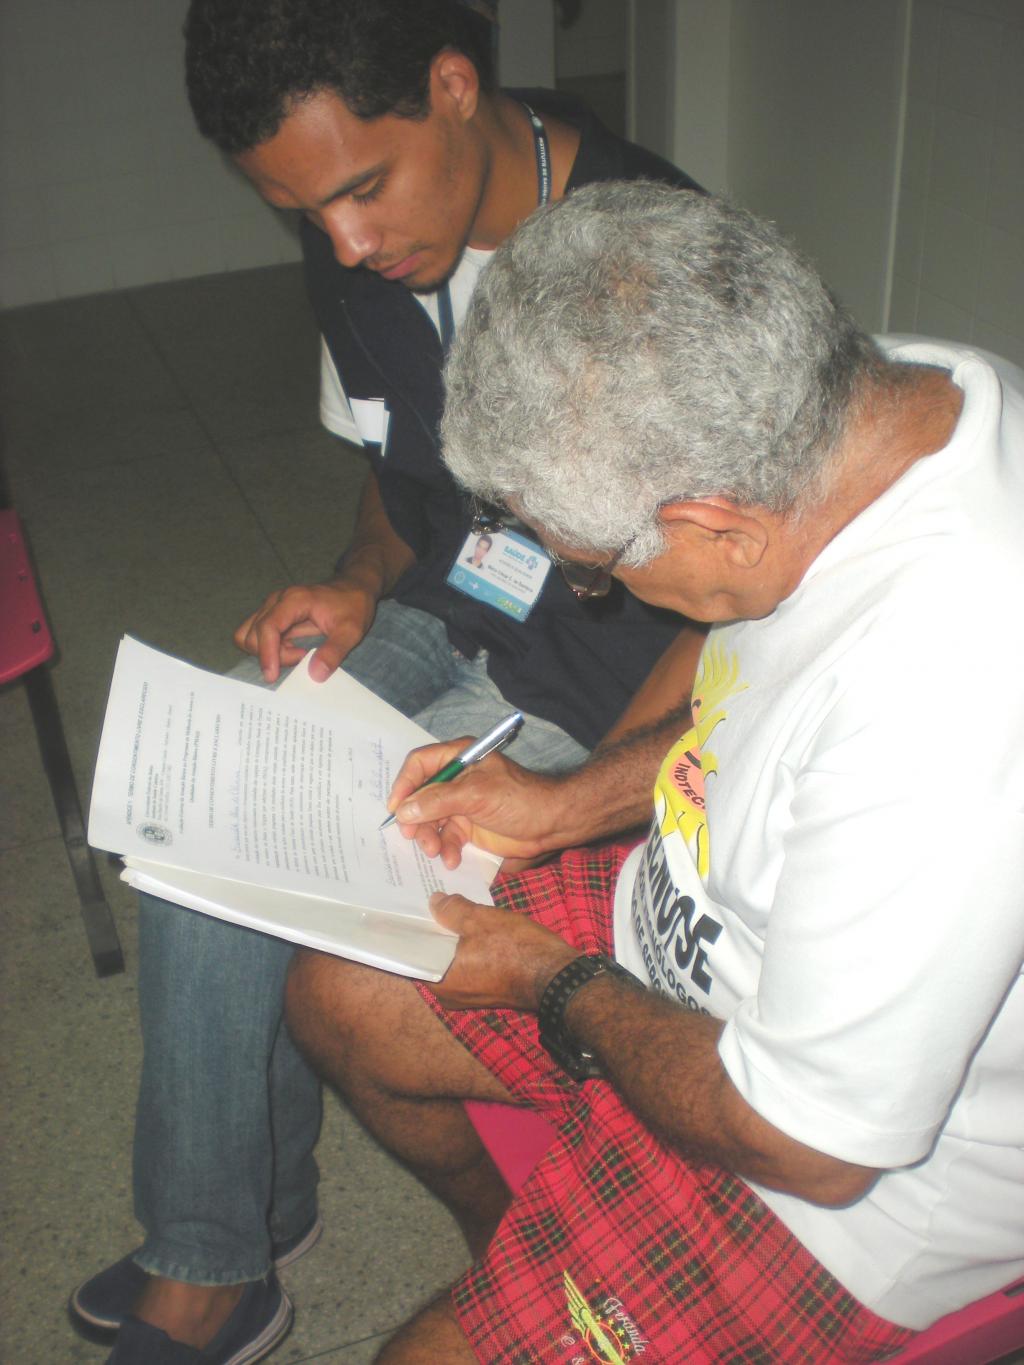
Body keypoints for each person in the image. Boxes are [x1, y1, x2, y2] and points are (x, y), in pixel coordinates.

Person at [283, 182, 1024, 1362]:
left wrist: (550, 981)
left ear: (718, 525)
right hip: (693, 941)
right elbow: (741, 676)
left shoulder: (949, 699)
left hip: (836, 1194)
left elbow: (812, 1146)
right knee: (341, 985)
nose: (597, 592)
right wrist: (561, 806)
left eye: (591, 569)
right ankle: (520, 1249)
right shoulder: (869, 397)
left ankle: (544, 1288)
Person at [69, 5, 707, 1362]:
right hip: (442, 605)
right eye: (301, 210)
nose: (345, 242)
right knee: (198, 809)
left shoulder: (653, 271)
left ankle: (211, 1263)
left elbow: (736, 610)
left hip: (594, 682)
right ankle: (242, 1226)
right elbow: (394, 475)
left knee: (289, 862)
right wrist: (358, 580)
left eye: (362, 189)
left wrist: (586, 795)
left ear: (453, 85)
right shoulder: (357, 239)